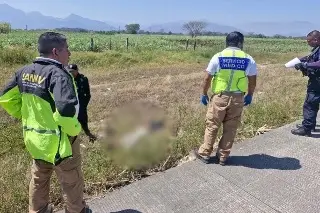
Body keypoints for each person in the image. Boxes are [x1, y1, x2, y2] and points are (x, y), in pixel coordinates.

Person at [0, 32, 91, 213]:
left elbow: (5, 98)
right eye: (67, 49)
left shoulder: (23, 72)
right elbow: (65, 110)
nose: (70, 53)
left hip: (36, 140)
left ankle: (38, 211)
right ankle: (77, 210)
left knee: (39, 178)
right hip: (61, 142)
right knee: (71, 180)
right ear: (56, 51)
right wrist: (74, 130)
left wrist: (26, 115)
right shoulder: (59, 75)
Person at [192, 31, 257, 165]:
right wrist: (250, 95)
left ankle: (205, 153)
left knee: (212, 125)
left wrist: (204, 93)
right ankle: (223, 156)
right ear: (240, 43)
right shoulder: (248, 59)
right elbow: (252, 80)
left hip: (220, 97)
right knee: (231, 127)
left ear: (226, 42)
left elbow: (207, 77)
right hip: (238, 98)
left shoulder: (218, 56)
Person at [291, 30, 320, 136]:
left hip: (317, 82)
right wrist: (299, 61)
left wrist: (306, 65)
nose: (308, 43)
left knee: (310, 104)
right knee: (313, 103)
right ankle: (310, 124)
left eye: (309, 41)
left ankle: (306, 128)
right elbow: (310, 57)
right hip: (316, 80)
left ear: (316, 39)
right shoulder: (317, 48)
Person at [67, 64, 97, 142]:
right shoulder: (67, 79)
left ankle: (89, 134)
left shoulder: (83, 79)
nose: (71, 73)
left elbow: (88, 94)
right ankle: (71, 138)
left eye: (73, 71)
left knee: (83, 121)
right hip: (72, 105)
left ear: (77, 71)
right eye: (70, 71)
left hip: (81, 104)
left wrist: (84, 105)